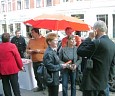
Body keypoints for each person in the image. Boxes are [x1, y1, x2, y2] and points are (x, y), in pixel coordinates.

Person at [77, 20, 115, 96]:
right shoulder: (112, 44)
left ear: (96, 30)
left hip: (91, 84)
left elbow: (80, 51)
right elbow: (113, 64)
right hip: (104, 83)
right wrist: (109, 79)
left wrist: (89, 38)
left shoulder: (96, 42)